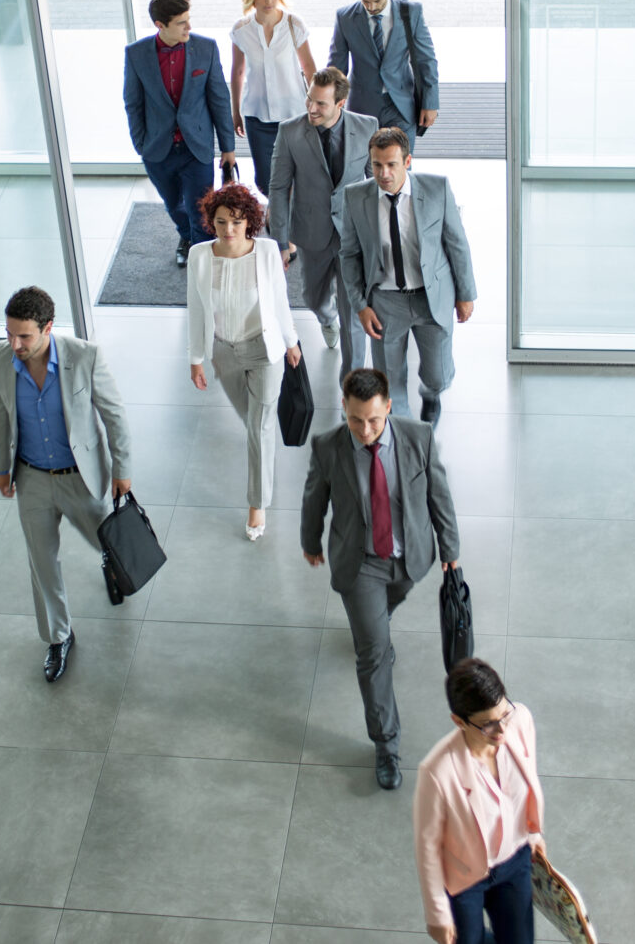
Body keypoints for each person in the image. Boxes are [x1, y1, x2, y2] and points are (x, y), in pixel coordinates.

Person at [301, 366, 459, 790]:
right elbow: (314, 497)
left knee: (387, 609)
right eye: (355, 419)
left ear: (388, 408)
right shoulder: (328, 447)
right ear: (344, 410)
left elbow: (438, 495)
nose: (365, 430)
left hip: (409, 559)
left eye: (373, 419)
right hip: (360, 563)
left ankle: (376, 620)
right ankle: (386, 746)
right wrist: (310, 541)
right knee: (373, 654)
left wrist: (451, 551)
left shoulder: (418, 438)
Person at [0, 286, 132, 683]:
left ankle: (112, 565)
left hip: (80, 479)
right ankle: (58, 637)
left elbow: (114, 415)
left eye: (25, 336)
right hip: (32, 477)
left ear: (48, 328)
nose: (14, 344)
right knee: (42, 562)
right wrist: (3, 467)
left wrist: (122, 470)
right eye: (9, 333)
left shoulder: (85, 357)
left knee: (108, 541)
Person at [339, 127, 476, 428]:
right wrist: (360, 305)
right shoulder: (355, 197)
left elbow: (457, 243)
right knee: (389, 381)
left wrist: (466, 295)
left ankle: (431, 393)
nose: (384, 173)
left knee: (438, 374)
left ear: (408, 161)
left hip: (431, 298)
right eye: (377, 164)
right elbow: (349, 255)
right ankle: (405, 436)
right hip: (385, 302)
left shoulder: (437, 189)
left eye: (391, 164)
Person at [186, 182, 302, 540]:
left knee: (259, 426)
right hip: (224, 353)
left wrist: (291, 340)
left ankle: (257, 503)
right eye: (221, 222)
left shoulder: (266, 252)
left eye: (236, 222)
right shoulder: (199, 256)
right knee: (252, 421)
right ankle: (264, 458)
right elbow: (196, 309)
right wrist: (195, 358)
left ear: (248, 222)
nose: (229, 230)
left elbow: (279, 301)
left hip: (265, 351)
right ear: (212, 222)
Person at [413, 658, 545, 944]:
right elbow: (427, 847)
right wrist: (437, 914)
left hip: (515, 861)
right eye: (488, 725)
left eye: (503, 716)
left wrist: (533, 832)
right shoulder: (436, 771)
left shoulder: (520, 719)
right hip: (464, 878)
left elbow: (528, 777)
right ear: (459, 721)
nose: (502, 731)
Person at [267, 67, 376, 363]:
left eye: (321, 104)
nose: (312, 108)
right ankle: (327, 319)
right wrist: (279, 242)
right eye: (309, 100)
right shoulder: (290, 131)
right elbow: (278, 187)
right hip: (312, 231)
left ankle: (352, 390)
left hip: (353, 235)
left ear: (340, 104)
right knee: (313, 298)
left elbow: (375, 185)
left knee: (353, 312)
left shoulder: (367, 127)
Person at [125, 0, 238, 266]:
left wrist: (228, 147)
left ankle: (202, 256)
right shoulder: (136, 54)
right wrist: (141, 145)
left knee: (201, 208)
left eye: (189, 19)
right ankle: (185, 235)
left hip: (195, 146)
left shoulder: (206, 48)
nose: (189, 26)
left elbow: (219, 99)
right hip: (157, 149)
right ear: (160, 25)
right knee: (174, 204)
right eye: (181, 22)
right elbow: (133, 103)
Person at [328, 0, 438, 154]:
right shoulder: (345, 17)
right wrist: (329, 104)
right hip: (362, 107)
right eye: (365, 1)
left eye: (377, 1)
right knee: (367, 169)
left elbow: (425, 60)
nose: (371, 7)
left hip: (401, 105)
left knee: (399, 168)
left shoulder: (411, 12)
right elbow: (337, 68)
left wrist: (430, 103)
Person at [228, 0, 317, 201]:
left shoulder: (293, 25)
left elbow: (309, 68)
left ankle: (288, 222)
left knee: (298, 172)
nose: (269, 0)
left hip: (294, 113)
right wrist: (235, 112)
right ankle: (279, 211)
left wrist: (319, 107)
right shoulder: (241, 30)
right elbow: (237, 71)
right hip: (257, 116)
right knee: (265, 180)